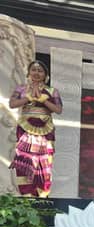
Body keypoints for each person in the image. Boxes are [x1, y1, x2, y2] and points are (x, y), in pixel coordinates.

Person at [9, 60, 63, 197]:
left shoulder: (52, 91)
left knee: (44, 161)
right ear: (28, 73)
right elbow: (12, 104)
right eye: (33, 70)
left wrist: (44, 100)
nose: (36, 73)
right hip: (25, 128)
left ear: (46, 75)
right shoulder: (21, 89)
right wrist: (28, 98)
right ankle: (27, 195)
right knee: (25, 159)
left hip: (45, 130)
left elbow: (58, 109)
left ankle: (42, 194)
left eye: (40, 71)